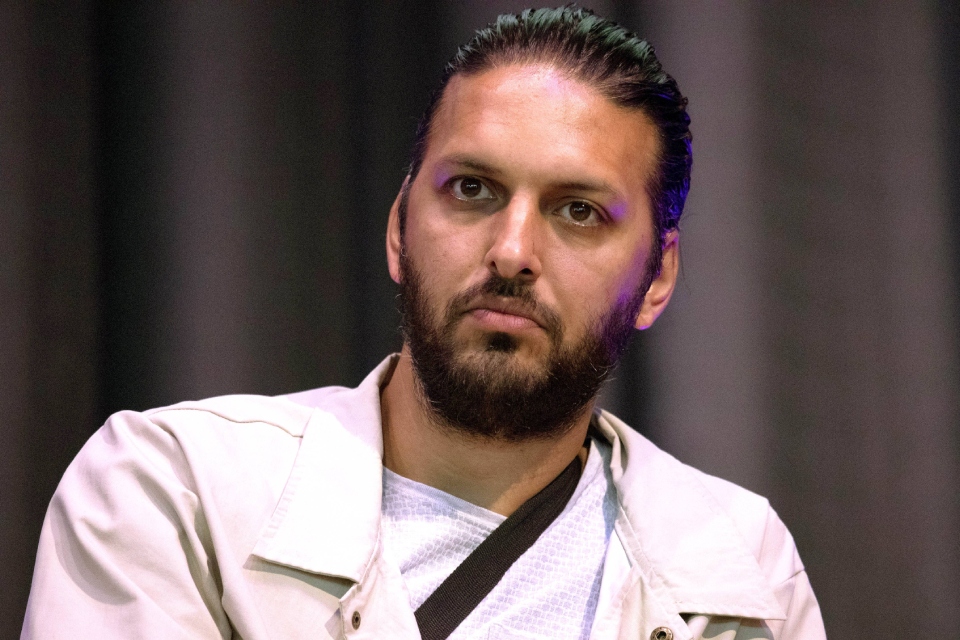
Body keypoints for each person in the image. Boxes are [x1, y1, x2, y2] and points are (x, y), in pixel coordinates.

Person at [22, 7, 826, 640]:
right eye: (472, 189)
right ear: (398, 228)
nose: (512, 250)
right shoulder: (177, 490)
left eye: (578, 211)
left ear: (658, 278)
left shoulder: (739, 562)